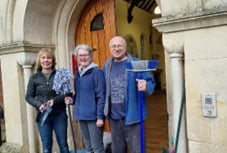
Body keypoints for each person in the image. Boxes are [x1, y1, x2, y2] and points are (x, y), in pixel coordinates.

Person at [103, 35, 156, 153]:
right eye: (113, 46)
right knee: (117, 150)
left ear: (125, 48)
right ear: (110, 48)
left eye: (119, 46)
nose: (116, 49)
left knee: (137, 149)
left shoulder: (136, 63)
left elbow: (150, 83)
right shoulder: (107, 65)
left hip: (133, 116)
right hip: (114, 118)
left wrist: (146, 86)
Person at [25, 48, 71, 153]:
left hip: (59, 114)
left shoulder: (60, 74)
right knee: (46, 147)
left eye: (49, 58)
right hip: (43, 116)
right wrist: (38, 104)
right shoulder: (34, 78)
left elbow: (68, 93)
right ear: (39, 60)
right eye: (43, 57)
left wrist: (54, 101)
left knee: (63, 145)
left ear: (53, 60)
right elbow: (28, 96)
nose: (46, 60)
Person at [65, 44, 106, 153]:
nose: (83, 58)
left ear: (90, 56)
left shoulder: (97, 72)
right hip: (82, 116)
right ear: (77, 58)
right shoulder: (78, 74)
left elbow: (101, 96)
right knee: (89, 147)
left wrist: (100, 117)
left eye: (85, 55)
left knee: (97, 148)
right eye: (80, 56)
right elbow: (79, 95)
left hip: (94, 118)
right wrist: (72, 100)